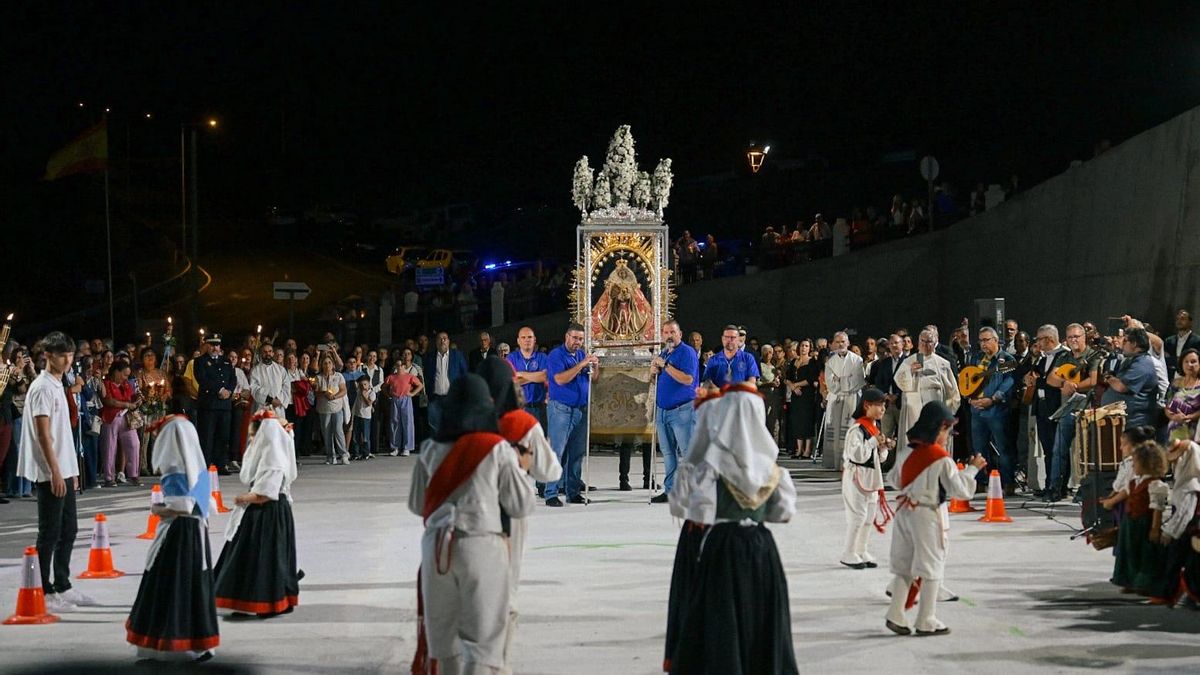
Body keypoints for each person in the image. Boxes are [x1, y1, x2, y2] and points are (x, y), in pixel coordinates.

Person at [664, 383, 798, 674]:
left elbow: (700, 510)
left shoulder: (713, 467)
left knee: (721, 615)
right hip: (761, 548)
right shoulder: (774, 470)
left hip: (723, 545)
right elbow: (782, 513)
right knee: (762, 612)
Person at [408, 374, 535, 675]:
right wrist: (524, 468)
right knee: (483, 641)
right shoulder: (498, 448)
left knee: (443, 642)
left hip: (437, 548)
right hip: (482, 545)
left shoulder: (429, 449)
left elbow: (417, 505)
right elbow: (521, 505)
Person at [477, 356, 561, 656]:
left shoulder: (467, 422)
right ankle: (498, 655)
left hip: (472, 512)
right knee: (506, 582)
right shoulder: (522, 424)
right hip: (511, 508)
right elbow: (550, 473)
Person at [884, 401, 986, 636]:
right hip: (928, 514)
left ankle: (895, 612)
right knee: (932, 566)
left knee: (905, 565)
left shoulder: (907, 451)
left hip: (904, 511)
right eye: (947, 430)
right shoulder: (941, 458)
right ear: (939, 429)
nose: (948, 436)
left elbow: (894, 480)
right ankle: (926, 619)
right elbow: (961, 490)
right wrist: (972, 469)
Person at [125, 415, 219, 662]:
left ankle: (158, 644)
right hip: (197, 535)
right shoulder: (196, 467)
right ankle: (200, 644)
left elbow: (182, 507)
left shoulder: (174, 469)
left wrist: (157, 510)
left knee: (165, 587)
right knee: (194, 587)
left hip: (178, 535)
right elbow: (201, 505)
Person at [17, 332, 95, 612]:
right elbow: (43, 435)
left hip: (64, 468)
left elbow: (63, 434)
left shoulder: (59, 385)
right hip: (50, 471)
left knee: (69, 529)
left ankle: (63, 583)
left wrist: (71, 469)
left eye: (70, 354)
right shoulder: (42, 388)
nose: (67, 359)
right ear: (47, 355)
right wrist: (55, 472)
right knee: (49, 532)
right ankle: (44, 588)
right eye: (62, 354)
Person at [214, 410, 301, 618]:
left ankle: (266, 603)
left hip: (268, 514)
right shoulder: (272, 452)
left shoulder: (273, 458)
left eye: (254, 435)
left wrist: (243, 498)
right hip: (268, 514)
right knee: (260, 559)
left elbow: (266, 494)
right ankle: (257, 601)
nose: (252, 439)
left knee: (264, 560)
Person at [1037, 323, 1102, 501]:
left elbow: (1094, 379)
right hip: (1067, 409)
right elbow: (1051, 378)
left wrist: (1074, 387)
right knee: (1058, 450)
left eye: (1077, 336)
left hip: (1087, 409)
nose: (1074, 340)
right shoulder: (1064, 356)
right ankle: (1055, 488)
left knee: (1085, 452)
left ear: (1084, 337)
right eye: (1070, 337)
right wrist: (1064, 384)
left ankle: (1085, 489)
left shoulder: (1093, 355)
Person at [545, 322, 598, 506]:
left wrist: (595, 367)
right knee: (557, 451)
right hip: (561, 409)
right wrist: (581, 364)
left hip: (580, 410)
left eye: (581, 339)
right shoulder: (555, 355)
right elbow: (560, 379)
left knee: (577, 453)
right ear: (567, 337)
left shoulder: (582, 354)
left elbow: (594, 379)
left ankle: (573, 491)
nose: (578, 342)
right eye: (575, 338)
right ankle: (551, 492)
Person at [840, 388, 893, 569]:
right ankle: (848, 552)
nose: (883, 409)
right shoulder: (857, 429)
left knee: (869, 516)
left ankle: (861, 550)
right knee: (858, 516)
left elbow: (878, 458)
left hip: (871, 477)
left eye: (884, 405)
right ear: (866, 405)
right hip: (856, 477)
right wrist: (873, 442)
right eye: (879, 405)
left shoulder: (874, 427)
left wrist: (883, 447)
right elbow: (857, 455)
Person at [1109, 441, 1169, 595]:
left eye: (1136, 462)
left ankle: (1145, 584)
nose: (1133, 466)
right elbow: (1127, 495)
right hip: (1130, 523)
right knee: (1129, 553)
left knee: (1144, 555)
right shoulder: (1133, 482)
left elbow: (1157, 508)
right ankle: (1129, 580)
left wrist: (1155, 529)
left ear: (1147, 463)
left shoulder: (1156, 485)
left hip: (1145, 524)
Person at [650, 320, 698, 503]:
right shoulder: (665, 353)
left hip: (682, 411)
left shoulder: (687, 352)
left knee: (687, 452)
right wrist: (653, 371)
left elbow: (687, 379)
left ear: (680, 334)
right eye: (666, 332)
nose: (669, 335)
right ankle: (670, 490)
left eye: (673, 332)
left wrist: (665, 366)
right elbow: (657, 381)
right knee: (668, 453)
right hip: (663, 411)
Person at [966, 327, 1016, 492]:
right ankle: (980, 482)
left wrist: (993, 399)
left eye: (987, 340)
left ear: (996, 340)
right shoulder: (976, 358)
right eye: (981, 340)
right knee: (979, 448)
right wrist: (970, 397)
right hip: (977, 411)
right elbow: (967, 378)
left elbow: (1008, 383)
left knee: (1003, 447)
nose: (983, 344)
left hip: (997, 411)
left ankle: (1008, 482)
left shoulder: (1006, 359)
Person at [1152, 438, 1200, 605]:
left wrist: (1170, 532)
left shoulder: (1191, 484)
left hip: (1189, 531)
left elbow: (1184, 514)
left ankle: (1170, 593)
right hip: (1186, 529)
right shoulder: (1184, 481)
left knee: (1176, 561)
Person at [894, 329, 960, 439]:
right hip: (914, 409)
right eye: (922, 341)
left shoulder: (943, 363)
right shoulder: (909, 361)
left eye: (928, 341)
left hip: (936, 405)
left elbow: (953, 390)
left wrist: (949, 411)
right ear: (918, 342)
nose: (925, 344)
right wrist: (910, 371)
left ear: (934, 344)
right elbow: (899, 380)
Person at [822, 332, 866, 470]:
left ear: (848, 343)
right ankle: (836, 462)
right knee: (835, 429)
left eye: (843, 342)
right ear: (834, 343)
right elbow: (830, 382)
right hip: (836, 398)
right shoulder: (830, 362)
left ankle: (850, 461)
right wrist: (845, 380)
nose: (840, 344)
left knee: (850, 429)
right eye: (837, 342)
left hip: (852, 398)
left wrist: (840, 380)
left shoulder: (857, 360)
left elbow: (858, 379)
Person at [1102, 327, 1161, 428]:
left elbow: (1121, 386)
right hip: (1123, 421)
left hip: (1135, 424)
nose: (1122, 344)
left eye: (1125, 340)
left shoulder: (1143, 364)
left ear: (1134, 344)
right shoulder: (1133, 360)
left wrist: (1108, 377)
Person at [99, 360, 144, 487]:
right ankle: (109, 477)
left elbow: (132, 397)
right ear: (116, 372)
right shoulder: (106, 383)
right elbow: (108, 401)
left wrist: (137, 401)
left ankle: (134, 474)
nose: (125, 377)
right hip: (110, 417)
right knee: (109, 447)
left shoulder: (126, 384)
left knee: (134, 444)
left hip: (126, 417)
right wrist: (126, 404)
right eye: (124, 374)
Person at [194, 334, 235, 472]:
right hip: (209, 404)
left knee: (223, 436)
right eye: (212, 345)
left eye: (217, 345)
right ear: (206, 345)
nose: (214, 348)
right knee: (207, 436)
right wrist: (219, 389)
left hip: (224, 405)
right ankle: (204, 464)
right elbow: (203, 379)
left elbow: (232, 379)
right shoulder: (200, 361)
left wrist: (229, 390)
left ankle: (221, 464)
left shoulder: (226, 362)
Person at [426, 332, 468, 438]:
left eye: (444, 338)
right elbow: (427, 376)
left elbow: (465, 374)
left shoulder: (457, 355)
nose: (442, 341)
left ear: (449, 341)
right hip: (435, 397)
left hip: (453, 397)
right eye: (440, 339)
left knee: (454, 425)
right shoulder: (430, 357)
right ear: (436, 342)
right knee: (435, 425)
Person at [785, 339, 820, 459]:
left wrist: (797, 384)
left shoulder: (812, 362)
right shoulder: (794, 361)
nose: (803, 348)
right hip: (796, 395)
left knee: (807, 421)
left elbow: (811, 378)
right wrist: (792, 386)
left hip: (807, 395)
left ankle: (807, 449)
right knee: (797, 421)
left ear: (810, 348)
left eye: (806, 346)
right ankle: (799, 449)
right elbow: (787, 377)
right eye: (802, 346)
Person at [508, 326, 548, 428]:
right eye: (523, 337)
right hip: (518, 410)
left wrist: (521, 374)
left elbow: (544, 376)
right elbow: (511, 381)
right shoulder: (511, 358)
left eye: (530, 337)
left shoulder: (542, 357)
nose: (527, 340)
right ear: (518, 341)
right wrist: (535, 375)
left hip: (539, 409)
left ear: (534, 340)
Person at [385, 352, 424, 457]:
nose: (399, 367)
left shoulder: (409, 376)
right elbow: (384, 387)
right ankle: (395, 447)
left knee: (407, 423)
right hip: (395, 399)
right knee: (395, 423)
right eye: (397, 365)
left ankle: (407, 447)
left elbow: (420, 385)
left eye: (400, 365)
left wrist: (412, 393)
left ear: (403, 365)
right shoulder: (391, 377)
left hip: (406, 399)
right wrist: (389, 394)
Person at [315, 354, 349, 465]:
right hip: (324, 409)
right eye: (325, 363)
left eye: (329, 363)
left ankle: (343, 454)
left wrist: (334, 396)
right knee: (326, 432)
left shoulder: (338, 376)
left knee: (338, 431)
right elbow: (315, 392)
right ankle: (330, 456)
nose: (327, 365)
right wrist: (324, 392)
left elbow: (343, 390)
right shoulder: (318, 377)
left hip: (337, 408)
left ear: (333, 365)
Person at [702, 325, 759, 389]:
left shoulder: (748, 358)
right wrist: (720, 392)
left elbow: (752, 382)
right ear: (722, 339)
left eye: (733, 337)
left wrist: (734, 392)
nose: (730, 340)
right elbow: (707, 381)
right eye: (727, 337)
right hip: (720, 397)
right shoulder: (713, 359)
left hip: (741, 397)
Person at [1164, 349, 1200, 442]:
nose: (1189, 365)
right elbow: (1167, 405)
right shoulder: (1175, 383)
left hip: (1195, 431)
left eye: (1193, 361)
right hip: (1174, 430)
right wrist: (1173, 417)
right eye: (1186, 362)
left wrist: (1190, 417)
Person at [250, 342, 289, 417]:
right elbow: (254, 388)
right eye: (265, 352)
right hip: (262, 407)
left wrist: (280, 400)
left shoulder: (281, 369)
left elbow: (286, 387)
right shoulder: (255, 370)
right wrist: (270, 400)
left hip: (278, 407)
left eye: (270, 351)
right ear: (261, 354)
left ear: (273, 353)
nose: (268, 353)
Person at [1164, 309, 1200, 377]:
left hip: (1190, 377)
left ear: (1190, 322)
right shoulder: (1169, 341)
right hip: (1171, 376)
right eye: (1177, 319)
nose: (1179, 321)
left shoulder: (1197, 341)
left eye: (1183, 319)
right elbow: (1166, 359)